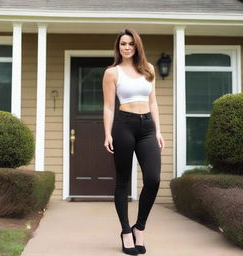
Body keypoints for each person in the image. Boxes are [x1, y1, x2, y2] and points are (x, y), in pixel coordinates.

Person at [102, 28, 165, 255]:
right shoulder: (112, 72)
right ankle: (126, 232)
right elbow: (109, 106)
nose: (126, 47)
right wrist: (107, 133)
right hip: (124, 126)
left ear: (137, 46)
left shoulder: (149, 69)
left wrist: (158, 131)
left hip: (147, 127)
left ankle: (140, 227)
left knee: (153, 179)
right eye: (122, 44)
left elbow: (154, 102)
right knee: (123, 181)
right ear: (118, 48)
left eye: (130, 44)